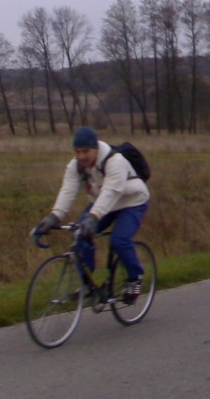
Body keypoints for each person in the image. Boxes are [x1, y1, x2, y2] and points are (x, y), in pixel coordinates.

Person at [32, 127, 150, 302]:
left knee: (120, 240)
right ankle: (86, 283)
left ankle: (134, 279)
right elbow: (68, 191)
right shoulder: (76, 166)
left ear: (96, 148)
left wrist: (93, 218)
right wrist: (54, 217)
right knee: (79, 235)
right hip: (102, 204)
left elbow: (111, 191)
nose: (81, 156)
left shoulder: (115, 161)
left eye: (85, 151)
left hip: (131, 202)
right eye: (77, 151)